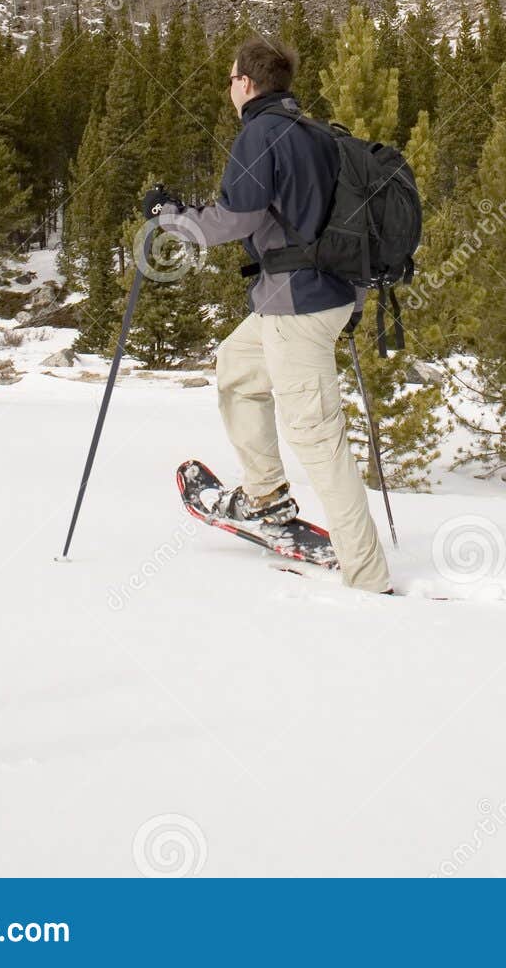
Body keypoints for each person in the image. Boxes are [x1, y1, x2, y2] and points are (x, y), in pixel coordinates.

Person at [144, 36, 392, 595]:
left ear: (247, 83)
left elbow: (233, 221)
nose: (228, 87)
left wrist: (170, 217)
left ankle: (369, 575)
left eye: (231, 78)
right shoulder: (316, 132)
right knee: (236, 367)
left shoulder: (260, 134)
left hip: (297, 306)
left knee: (317, 436)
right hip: (319, 297)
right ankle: (267, 498)